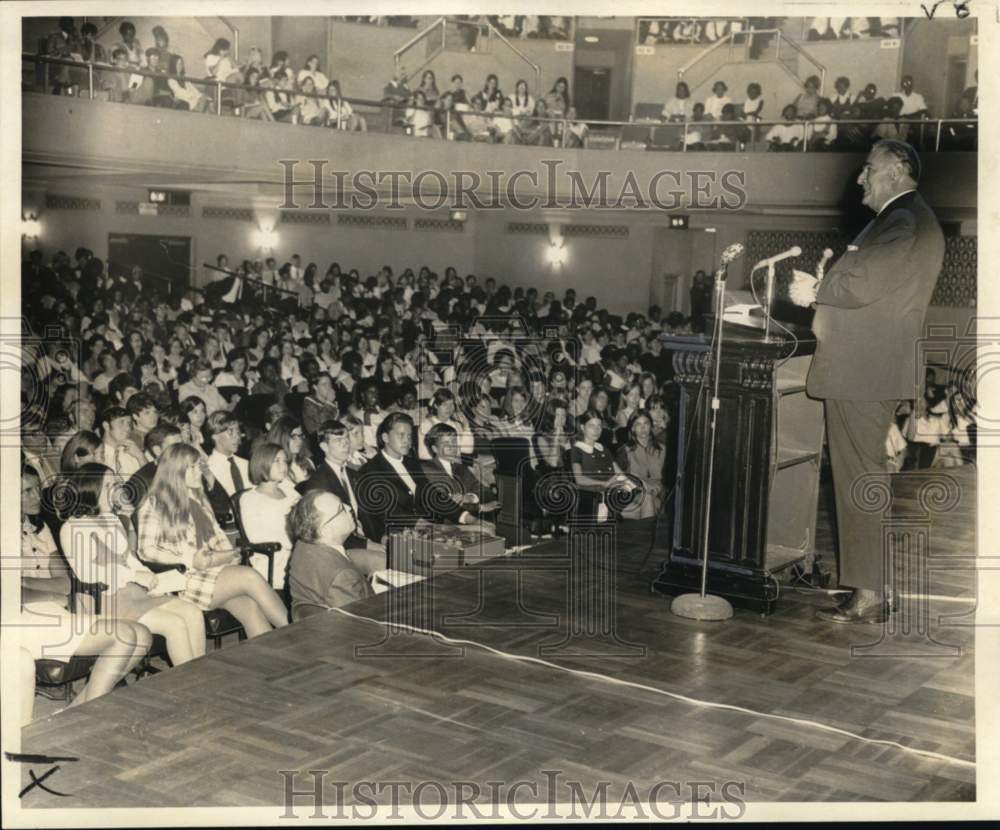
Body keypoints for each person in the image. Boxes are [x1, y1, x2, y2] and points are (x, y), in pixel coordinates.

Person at [792, 140, 945, 624]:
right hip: (867, 370)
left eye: (869, 169)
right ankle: (870, 585)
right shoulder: (905, 219)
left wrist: (818, 289)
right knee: (865, 478)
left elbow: (862, 284)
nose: (861, 179)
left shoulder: (902, 221)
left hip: (862, 373)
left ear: (898, 170)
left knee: (860, 480)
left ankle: (870, 592)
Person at [59, 463, 207, 665]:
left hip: (133, 592)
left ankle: (201, 676)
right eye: (109, 485)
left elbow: (129, 558)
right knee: (174, 624)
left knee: (193, 612)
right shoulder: (72, 528)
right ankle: (190, 684)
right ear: (92, 489)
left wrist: (150, 577)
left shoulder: (113, 520)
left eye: (116, 483)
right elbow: (87, 574)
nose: (118, 489)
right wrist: (133, 576)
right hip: (103, 600)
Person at [137, 443, 288, 637]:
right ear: (176, 471)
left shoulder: (198, 500)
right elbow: (146, 550)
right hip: (184, 578)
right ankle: (296, 632)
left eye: (199, 465)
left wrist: (230, 555)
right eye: (192, 467)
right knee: (249, 576)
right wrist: (189, 559)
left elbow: (218, 537)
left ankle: (275, 660)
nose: (199, 470)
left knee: (250, 608)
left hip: (213, 572)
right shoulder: (154, 503)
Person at [286, 491, 374, 619]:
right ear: (326, 531)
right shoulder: (343, 577)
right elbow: (361, 626)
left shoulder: (302, 546)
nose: (349, 508)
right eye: (341, 509)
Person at [238, 443, 300, 589]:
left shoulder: (290, 492)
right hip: (276, 559)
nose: (283, 466)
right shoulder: (250, 499)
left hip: (300, 552)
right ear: (262, 463)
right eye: (277, 461)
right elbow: (257, 537)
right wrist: (297, 542)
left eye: (285, 461)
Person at [615, 411, 665, 519]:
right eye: (638, 424)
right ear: (632, 428)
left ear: (651, 426)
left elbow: (669, 479)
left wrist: (657, 489)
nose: (643, 428)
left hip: (658, 495)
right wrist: (642, 486)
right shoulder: (625, 450)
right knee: (647, 499)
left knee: (644, 505)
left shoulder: (662, 449)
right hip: (634, 494)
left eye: (646, 423)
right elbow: (618, 478)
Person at [205, 411, 250, 498]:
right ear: (215, 436)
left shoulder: (245, 464)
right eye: (230, 432)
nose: (237, 436)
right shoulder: (210, 469)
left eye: (238, 432)